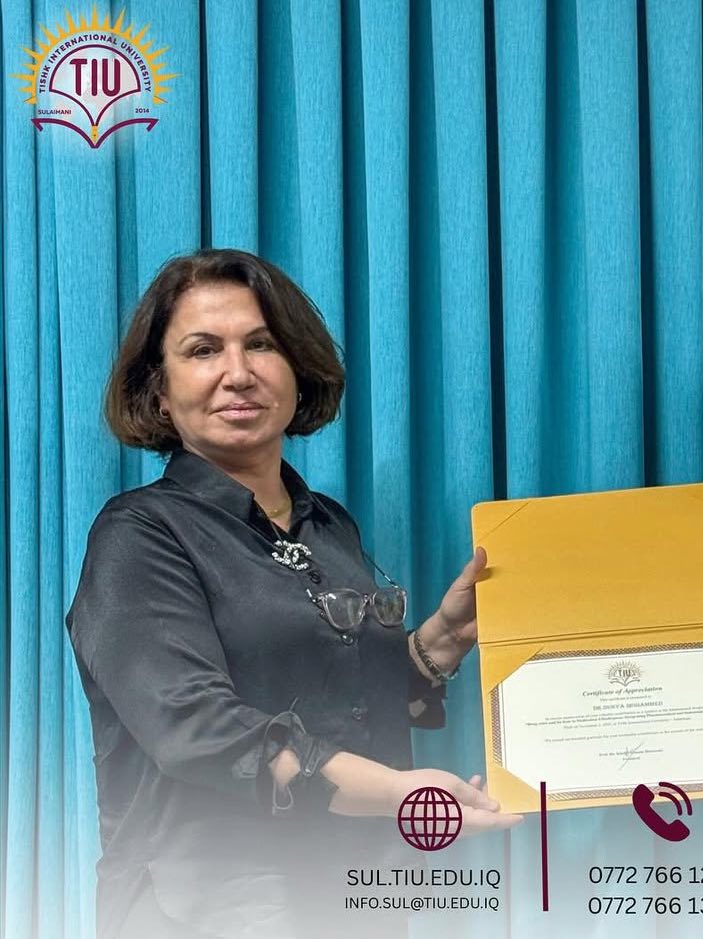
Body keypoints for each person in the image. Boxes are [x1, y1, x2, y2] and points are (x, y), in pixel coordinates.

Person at [67, 249, 520, 939]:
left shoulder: (329, 524)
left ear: (296, 368)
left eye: (261, 344)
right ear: (158, 390)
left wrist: (438, 645)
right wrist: (403, 795)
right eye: (202, 350)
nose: (238, 372)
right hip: (205, 910)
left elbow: (337, 697)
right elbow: (198, 730)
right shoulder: (139, 534)